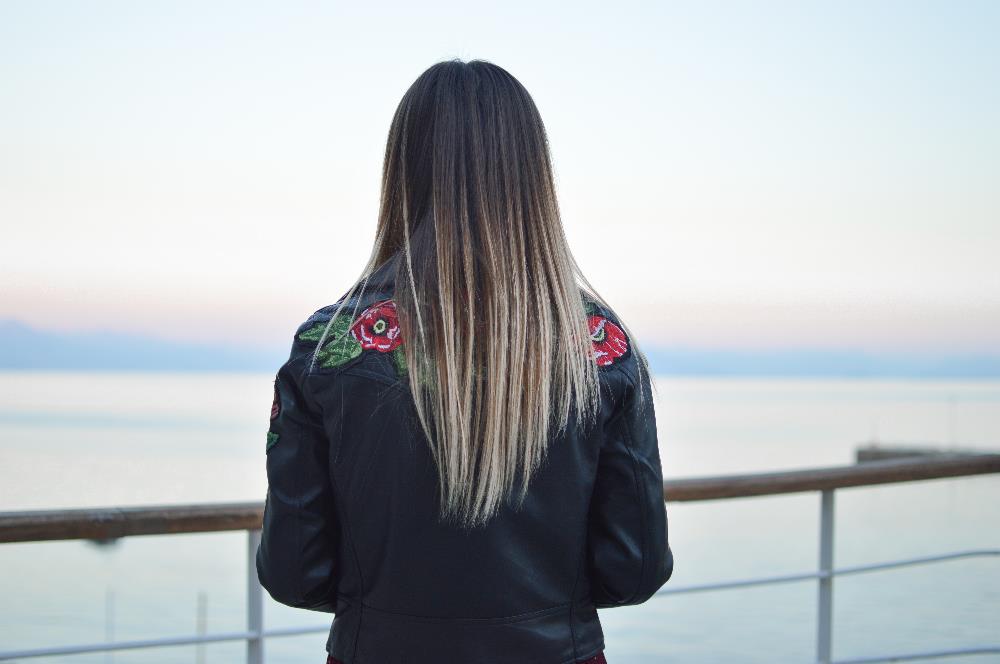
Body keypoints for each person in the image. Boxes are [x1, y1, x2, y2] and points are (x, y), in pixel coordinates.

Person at [256, 58, 673, 664]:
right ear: (534, 176)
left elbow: (294, 573)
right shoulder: (600, 349)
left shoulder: (330, 347)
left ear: (403, 169)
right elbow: (634, 570)